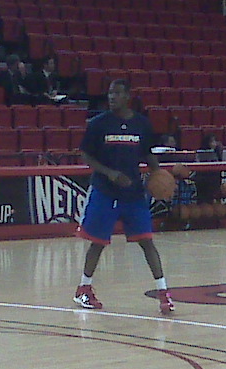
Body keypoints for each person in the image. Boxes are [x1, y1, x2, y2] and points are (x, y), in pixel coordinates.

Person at [73, 79, 175, 314]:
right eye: (110, 93)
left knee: (147, 241)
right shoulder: (98, 124)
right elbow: (86, 155)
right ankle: (83, 289)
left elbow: (147, 154)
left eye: (117, 93)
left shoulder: (142, 124)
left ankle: (163, 293)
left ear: (128, 96)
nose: (112, 97)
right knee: (98, 242)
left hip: (133, 193)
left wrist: (160, 174)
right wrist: (110, 173)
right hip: (105, 191)